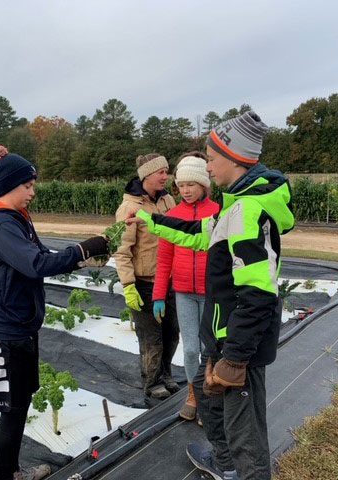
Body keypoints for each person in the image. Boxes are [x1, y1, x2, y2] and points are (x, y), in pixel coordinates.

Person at [128, 111, 294, 480]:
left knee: (245, 427)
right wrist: (149, 220)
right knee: (206, 392)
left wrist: (235, 359)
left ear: (235, 158)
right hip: (220, 334)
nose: (209, 165)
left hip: (239, 343)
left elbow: (258, 294)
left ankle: (243, 470)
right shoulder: (235, 204)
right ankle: (223, 462)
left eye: (212, 157)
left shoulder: (249, 210)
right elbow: (199, 233)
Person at [0, 144, 109, 480]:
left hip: (19, 327)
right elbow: (36, 264)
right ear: (10, 187)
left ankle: (13, 472)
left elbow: (42, 255)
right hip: (4, 332)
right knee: (12, 411)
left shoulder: (16, 219)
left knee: (20, 404)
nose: (33, 191)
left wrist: (80, 257)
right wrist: (81, 248)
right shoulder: (1, 225)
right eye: (28, 186)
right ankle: (7, 477)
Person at [152, 152, 220, 420]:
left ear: (204, 184)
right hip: (183, 293)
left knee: (210, 348)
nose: (186, 190)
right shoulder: (173, 215)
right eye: (181, 185)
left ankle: (210, 398)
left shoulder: (218, 212)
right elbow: (164, 257)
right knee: (191, 349)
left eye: (191, 184)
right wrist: (159, 295)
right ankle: (195, 394)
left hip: (212, 293)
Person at [114, 153, 180, 404]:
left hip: (169, 279)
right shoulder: (130, 208)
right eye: (160, 172)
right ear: (146, 176)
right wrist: (128, 285)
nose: (166, 176)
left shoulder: (168, 201)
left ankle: (166, 373)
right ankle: (151, 382)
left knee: (172, 333)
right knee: (151, 338)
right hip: (143, 282)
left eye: (166, 171)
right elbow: (122, 250)